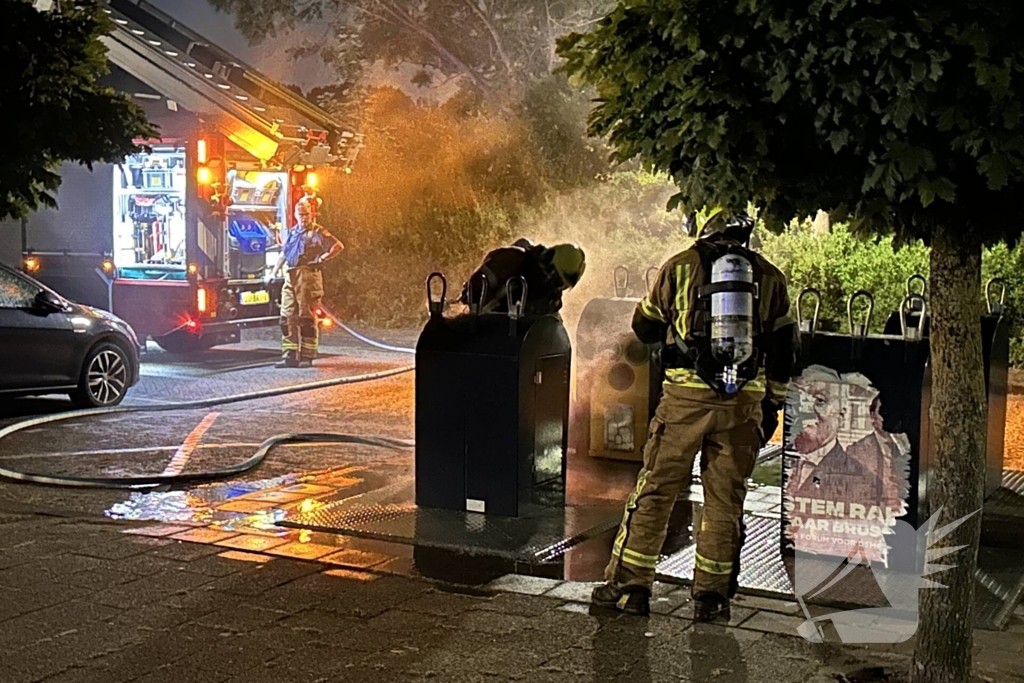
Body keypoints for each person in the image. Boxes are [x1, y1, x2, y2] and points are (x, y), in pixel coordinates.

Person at [591, 210, 796, 622]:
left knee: (657, 489)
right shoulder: (771, 277)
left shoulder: (680, 267)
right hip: (743, 405)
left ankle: (630, 587)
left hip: (685, 401)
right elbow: (786, 348)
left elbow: (645, 327)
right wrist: (772, 404)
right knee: (725, 500)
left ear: (707, 233)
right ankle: (711, 598)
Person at [267, 195, 343, 368]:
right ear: (295, 214)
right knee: (286, 317)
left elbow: (337, 246)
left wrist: (322, 258)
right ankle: (290, 355)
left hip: (307, 277)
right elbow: (284, 253)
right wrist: (273, 273)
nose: (303, 218)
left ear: (312, 214)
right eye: (300, 214)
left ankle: (307, 356)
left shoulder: (318, 231)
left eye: (306, 214)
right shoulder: (293, 232)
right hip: (291, 276)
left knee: (306, 317)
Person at [459, 241, 586, 317]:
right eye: (558, 280)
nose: (557, 287)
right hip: (476, 333)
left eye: (562, 286)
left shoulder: (552, 300)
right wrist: (491, 313)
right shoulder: (512, 259)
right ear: (549, 262)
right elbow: (475, 286)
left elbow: (548, 332)